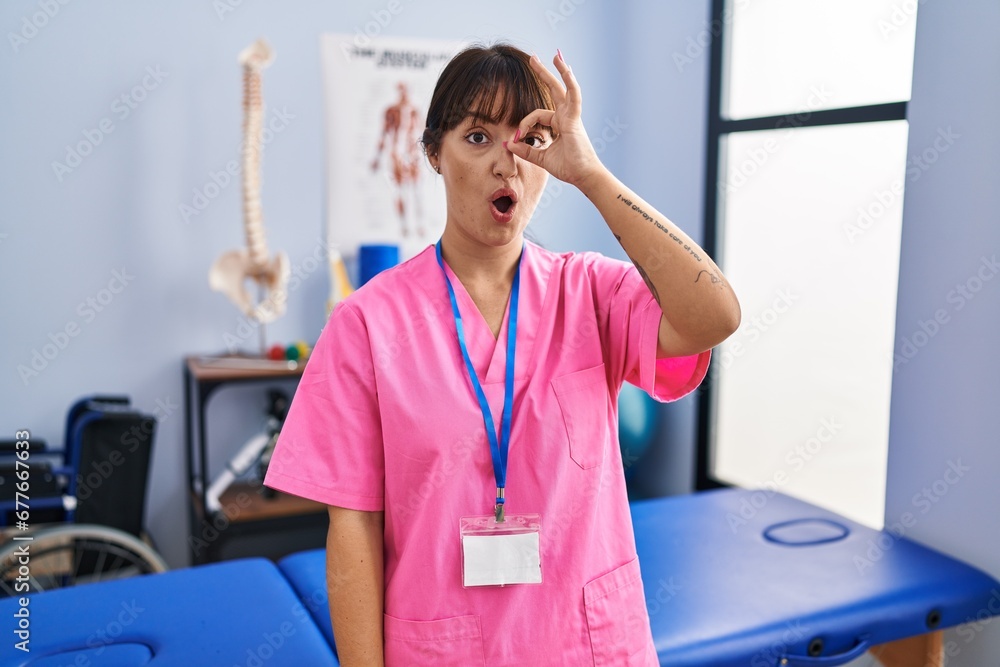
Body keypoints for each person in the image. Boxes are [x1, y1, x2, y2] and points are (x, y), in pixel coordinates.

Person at [264, 43, 740, 666]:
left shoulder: (590, 292)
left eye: (527, 140)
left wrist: (591, 173)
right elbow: (352, 528)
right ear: (434, 154)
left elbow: (715, 315)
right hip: (445, 646)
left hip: (590, 645)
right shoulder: (367, 324)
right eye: (478, 136)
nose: (505, 163)